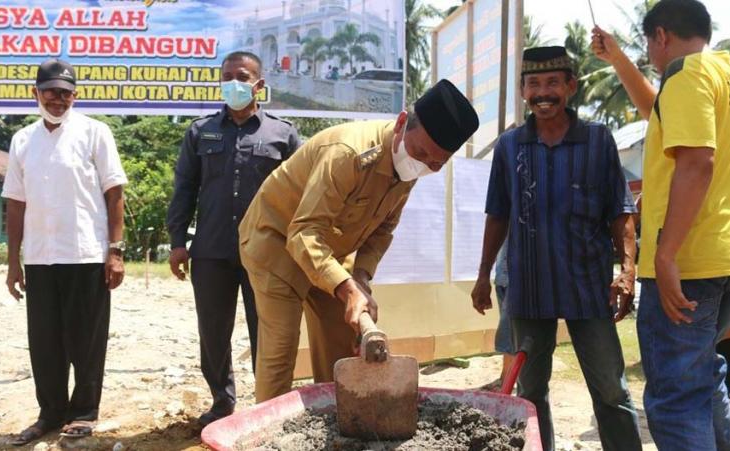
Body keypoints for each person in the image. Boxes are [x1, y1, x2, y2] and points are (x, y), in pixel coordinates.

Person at [239, 79, 479, 402]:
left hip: (327, 252)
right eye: (420, 153)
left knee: (341, 350)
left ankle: (335, 428)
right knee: (281, 350)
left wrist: (361, 279)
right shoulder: (348, 153)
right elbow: (304, 232)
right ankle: (267, 437)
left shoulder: (411, 170)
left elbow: (381, 232)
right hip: (277, 240)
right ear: (401, 123)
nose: (424, 165)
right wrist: (345, 286)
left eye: (436, 163)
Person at [471, 46, 641, 451]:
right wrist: (482, 275)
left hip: (589, 288)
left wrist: (628, 270)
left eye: (552, 83)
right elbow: (498, 214)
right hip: (530, 290)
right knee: (531, 393)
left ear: (571, 86)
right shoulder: (510, 146)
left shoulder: (598, 140)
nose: (542, 93)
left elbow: (621, 211)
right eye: (533, 85)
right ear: (523, 91)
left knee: (611, 391)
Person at [595, 1, 730, 448]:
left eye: (649, 45)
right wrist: (617, 60)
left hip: (689, 265)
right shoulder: (719, 74)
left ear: (661, 36)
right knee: (706, 383)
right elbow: (659, 113)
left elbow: (696, 162)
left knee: (676, 401)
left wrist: (666, 253)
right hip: (722, 262)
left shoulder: (685, 75)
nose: (651, 56)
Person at [166, 51, 300, 426]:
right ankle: (222, 402)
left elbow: (299, 194)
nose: (233, 84)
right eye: (227, 76)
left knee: (267, 330)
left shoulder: (283, 133)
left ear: (259, 84)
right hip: (211, 249)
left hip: (267, 252)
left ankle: (267, 404)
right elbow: (184, 188)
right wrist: (178, 241)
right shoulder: (200, 131)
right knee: (213, 330)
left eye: (242, 77)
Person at [2, 58, 128, 445]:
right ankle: (50, 413)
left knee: (86, 341)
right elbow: (16, 203)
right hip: (40, 259)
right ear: (35, 93)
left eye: (66, 92)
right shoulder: (22, 140)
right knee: (45, 342)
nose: (59, 99)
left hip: (87, 255)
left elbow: (114, 192)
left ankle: (84, 413)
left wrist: (116, 250)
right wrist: (13, 262)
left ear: (76, 95)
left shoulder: (95, 132)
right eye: (52, 91)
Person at [479, 241, 516, 392]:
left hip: (517, 279)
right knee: (508, 330)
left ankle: (506, 381)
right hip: (503, 276)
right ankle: (506, 378)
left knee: (508, 332)